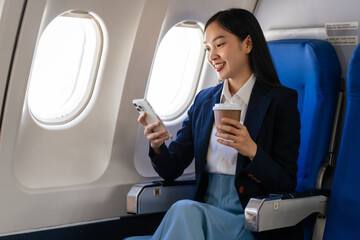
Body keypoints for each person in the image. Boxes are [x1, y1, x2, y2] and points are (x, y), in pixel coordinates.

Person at [127, 8, 302, 240]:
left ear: (247, 44)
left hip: (249, 221)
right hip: (203, 216)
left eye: (219, 45)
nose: (212, 57)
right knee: (186, 211)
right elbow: (172, 169)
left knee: (184, 209)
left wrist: (252, 151)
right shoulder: (204, 101)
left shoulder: (281, 101)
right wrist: (158, 144)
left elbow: (286, 182)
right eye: (208, 49)